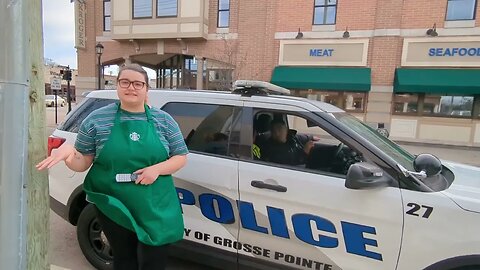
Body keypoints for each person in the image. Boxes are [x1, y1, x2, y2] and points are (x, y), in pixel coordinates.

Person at [37, 64, 188, 270]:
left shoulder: (164, 121)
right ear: (117, 85)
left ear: (146, 89)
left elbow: (180, 157)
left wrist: (156, 169)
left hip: (154, 202)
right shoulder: (97, 119)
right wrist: (68, 155)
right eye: (125, 82)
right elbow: (83, 163)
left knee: (155, 260)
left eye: (138, 83)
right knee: (124, 259)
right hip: (113, 201)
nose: (131, 88)